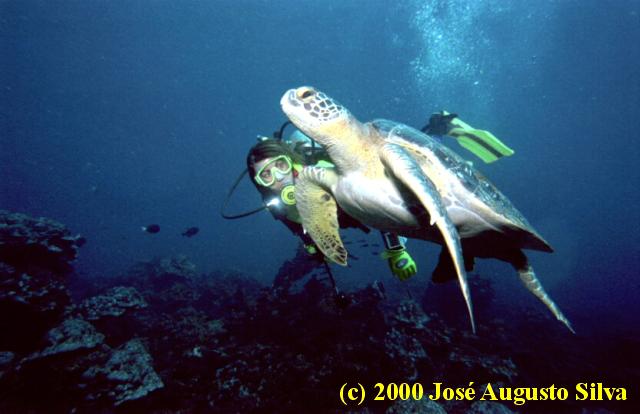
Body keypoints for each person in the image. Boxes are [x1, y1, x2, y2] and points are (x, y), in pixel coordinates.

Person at [245, 133, 418, 291]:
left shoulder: (325, 171)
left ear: (290, 160)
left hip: (354, 209)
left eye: (280, 165)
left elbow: (379, 202)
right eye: (266, 175)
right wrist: (315, 246)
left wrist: (396, 249)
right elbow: (299, 229)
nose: (279, 177)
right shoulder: (275, 204)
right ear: (260, 183)